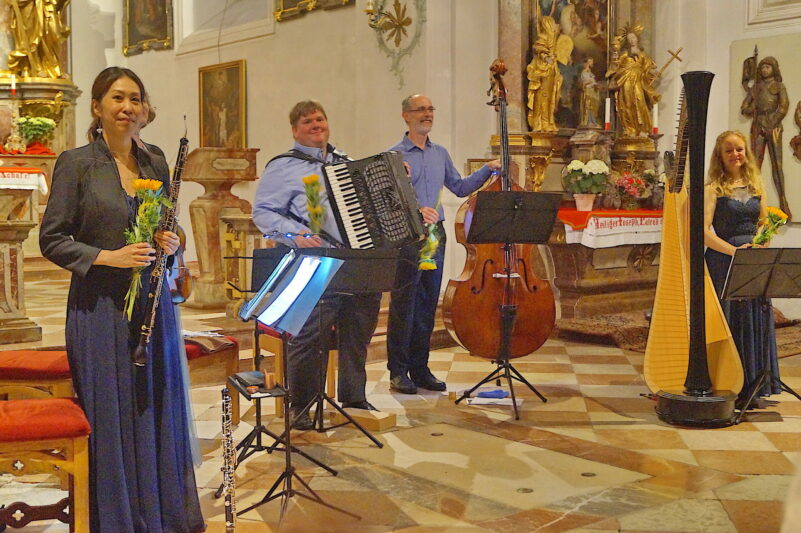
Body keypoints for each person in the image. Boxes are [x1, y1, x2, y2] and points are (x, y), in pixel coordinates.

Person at [39, 67, 204, 533]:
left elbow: (169, 225)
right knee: (112, 415)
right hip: (100, 308)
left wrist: (174, 240)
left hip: (153, 307)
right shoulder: (76, 163)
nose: (127, 107)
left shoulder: (155, 161)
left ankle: (161, 516)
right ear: (97, 107)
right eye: (117, 98)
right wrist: (106, 257)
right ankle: (118, 521)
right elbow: (52, 239)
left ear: (144, 108)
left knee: (155, 405)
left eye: (135, 98)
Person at [252, 100, 382, 429]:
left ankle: (354, 397)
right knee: (309, 335)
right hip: (313, 261)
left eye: (320, 119)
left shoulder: (346, 162)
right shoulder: (283, 166)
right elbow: (263, 213)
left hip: (356, 260)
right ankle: (301, 406)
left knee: (359, 329)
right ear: (295, 130)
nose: (316, 125)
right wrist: (295, 234)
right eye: (308, 121)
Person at [386, 94, 500, 394]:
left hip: (435, 235)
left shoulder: (440, 153)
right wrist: (415, 210)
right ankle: (398, 371)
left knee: (427, 304)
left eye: (430, 109)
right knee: (404, 305)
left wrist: (488, 169)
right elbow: (387, 202)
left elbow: (460, 187)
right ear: (406, 116)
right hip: (407, 235)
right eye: (420, 110)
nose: (427, 114)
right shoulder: (394, 156)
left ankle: (420, 369)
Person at [703, 130, 780, 405]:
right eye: (729, 150)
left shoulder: (756, 185)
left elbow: (765, 223)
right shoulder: (713, 188)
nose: (735, 154)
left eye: (739, 149)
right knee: (731, 319)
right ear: (720, 156)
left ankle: (754, 385)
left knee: (754, 317)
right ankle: (730, 384)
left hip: (753, 261)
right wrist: (734, 252)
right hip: (724, 261)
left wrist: (762, 244)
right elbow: (703, 232)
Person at [741, 56, 790, 220]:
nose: (764, 70)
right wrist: (752, 108)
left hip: (773, 126)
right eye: (762, 67)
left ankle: (783, 200)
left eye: (768, 67)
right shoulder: (756, 88)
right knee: (754, 165)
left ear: (774, 69)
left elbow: (783, 106)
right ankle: (753, 202)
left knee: (777, 165)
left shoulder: (779, 86)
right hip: (758, 126)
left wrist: (772, 121)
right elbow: (744, 108)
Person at [605, 24, 659, 138]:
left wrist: (652, 73)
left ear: (637, 38)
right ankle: (630, 129)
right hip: (626, 81)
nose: (632, 40)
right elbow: (616, 65)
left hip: (638, 81)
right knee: (627, 104)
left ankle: (643, 129)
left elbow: (648, 67)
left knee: (640, 101)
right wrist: (614, 58)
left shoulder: (642, 54)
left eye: (633, 38)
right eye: (629, 39)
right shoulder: (625, 53)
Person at [526, 14, 563, 132]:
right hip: (543, 70)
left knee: (551, 97)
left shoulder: (554, 38)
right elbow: (538, 48)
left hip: (552, 70)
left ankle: (548, 122)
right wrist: (546, 57)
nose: (555, 26)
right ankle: (540, 122)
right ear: (548, 24)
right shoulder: (543, 36)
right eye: (553, 23)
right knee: (543, 96)